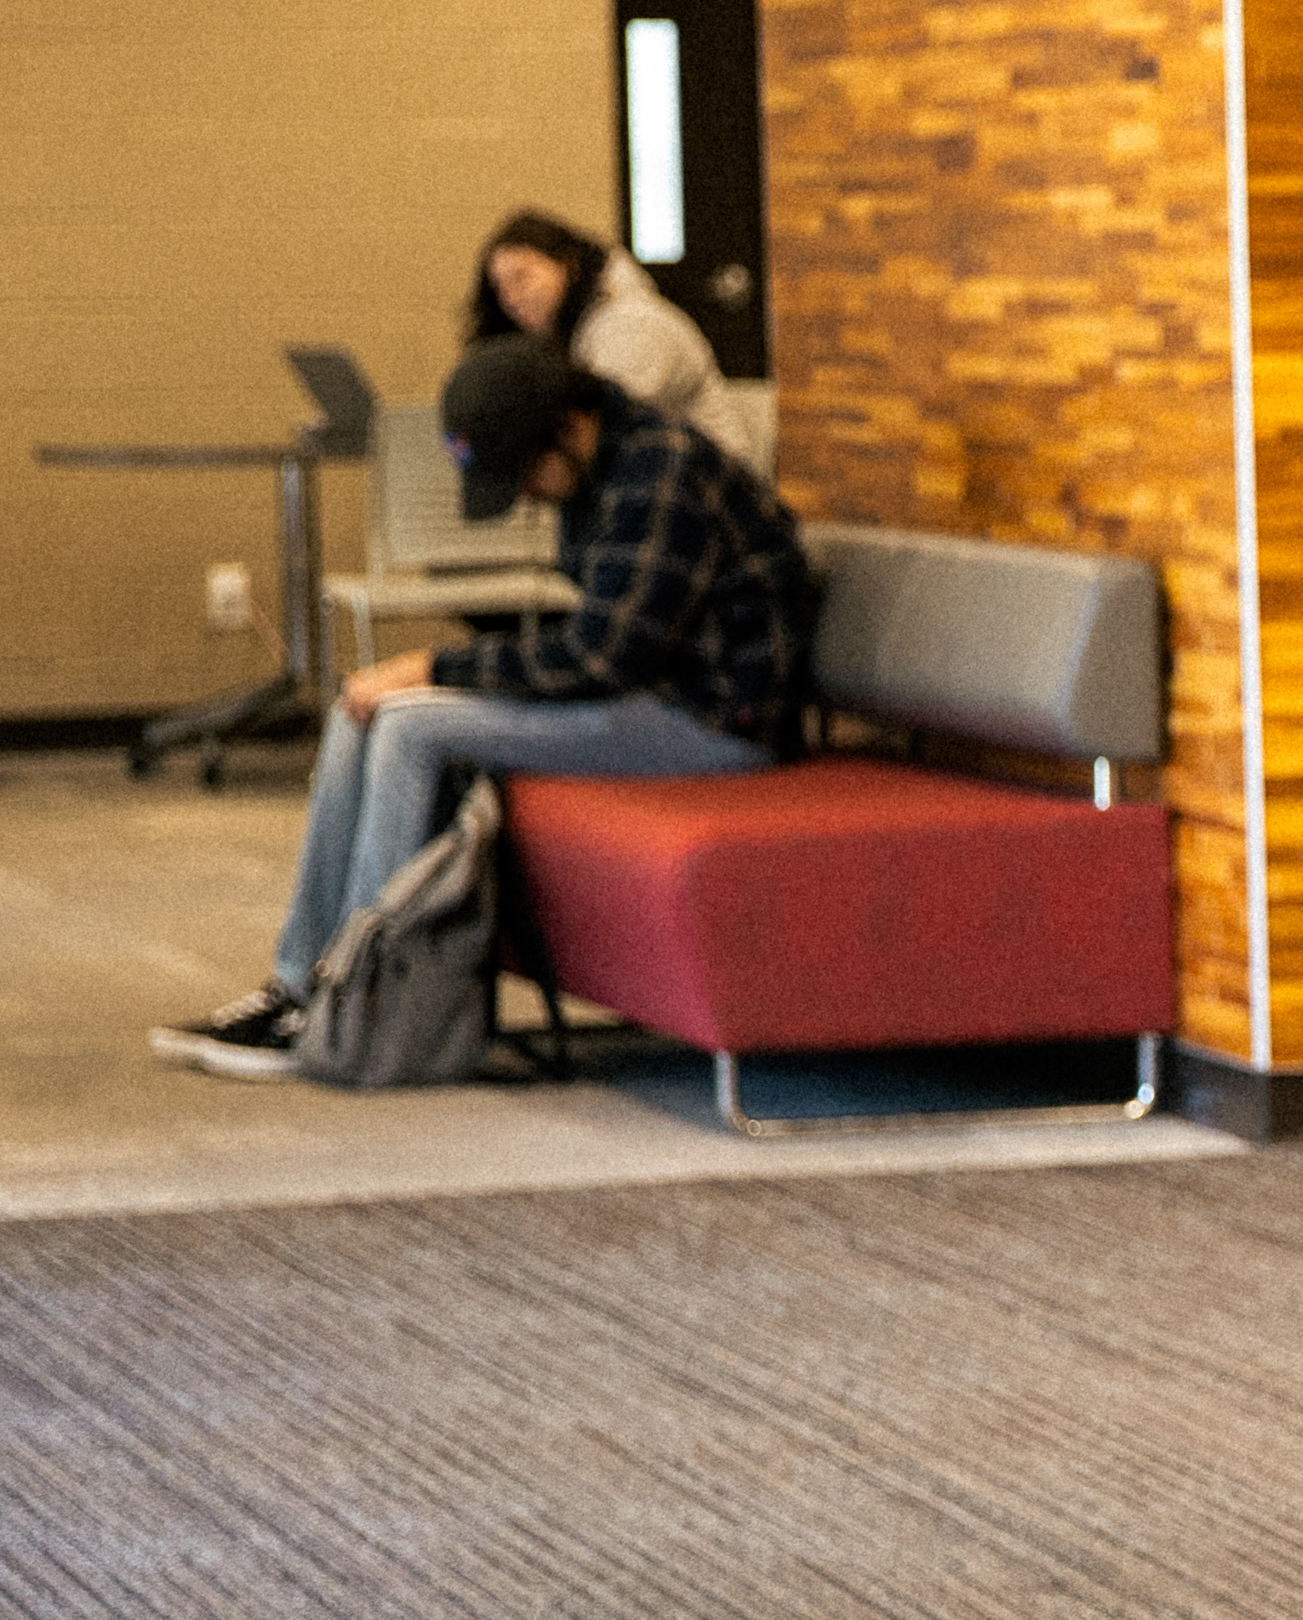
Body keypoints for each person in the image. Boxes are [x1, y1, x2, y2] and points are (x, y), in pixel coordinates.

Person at [155, 335, 812, 1079]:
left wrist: (434, 666)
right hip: (646, 700)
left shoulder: (661, 473)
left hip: (715, 726)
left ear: (569, 425)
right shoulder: (599, 466)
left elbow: (601, 659)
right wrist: (423, 673)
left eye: (523, 469)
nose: (525, 493)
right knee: (360, 705)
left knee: (410, 723)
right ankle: (300, 983)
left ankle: (358, 1002)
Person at [463, 204, 723, 437]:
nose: (510, 297)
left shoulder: (631, 325)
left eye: (521, 277)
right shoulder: (580, 331)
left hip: (701, 481)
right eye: (499, 287)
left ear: (568, 264)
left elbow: (603, 431)